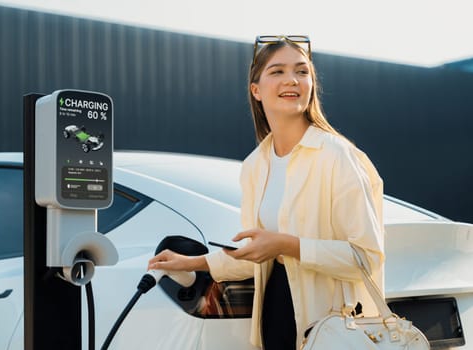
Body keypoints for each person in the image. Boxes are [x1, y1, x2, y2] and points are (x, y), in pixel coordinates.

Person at [148, 35, 385, 350]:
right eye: (278, 71)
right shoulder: (254, 166)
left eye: (302, 71)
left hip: (332, 327)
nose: (292, 80)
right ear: (256, 90)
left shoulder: (336, 155)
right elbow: (254, 256)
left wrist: (288, 245)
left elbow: (366, 258)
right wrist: (192, 263)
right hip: (275, 316)